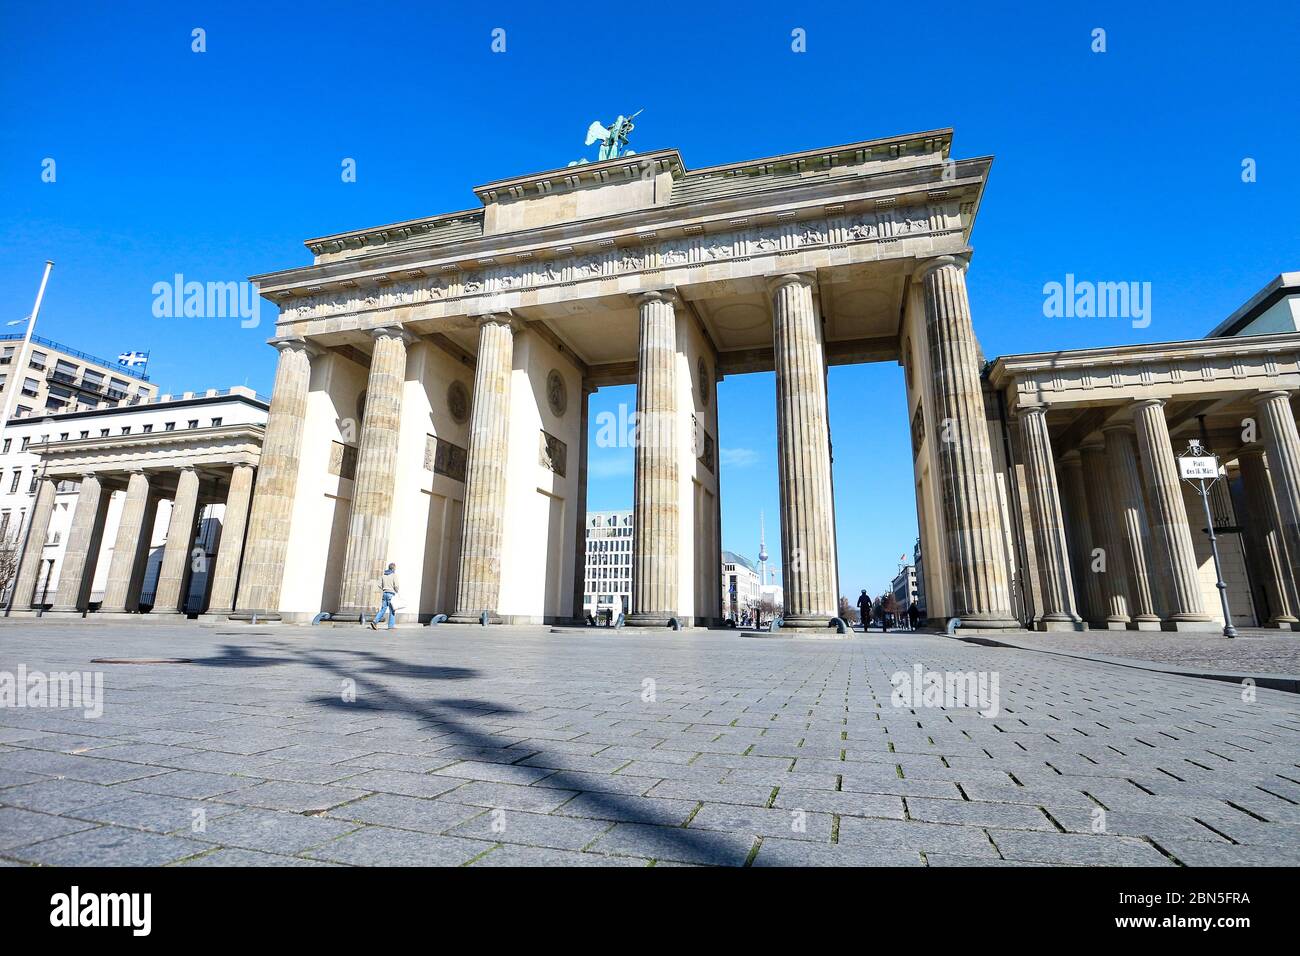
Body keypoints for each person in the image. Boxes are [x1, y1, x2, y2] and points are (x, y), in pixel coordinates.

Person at [370, 562, 399, 631]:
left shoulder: (383, 575)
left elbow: (379, 585)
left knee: (383, 609)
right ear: (394, 568)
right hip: (391, 594)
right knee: (392, 610)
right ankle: (391, 626)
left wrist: (384, 588)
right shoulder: (393, 575)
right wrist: (396, 590)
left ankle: (375, 621)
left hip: (385, 593)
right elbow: (396, 586)